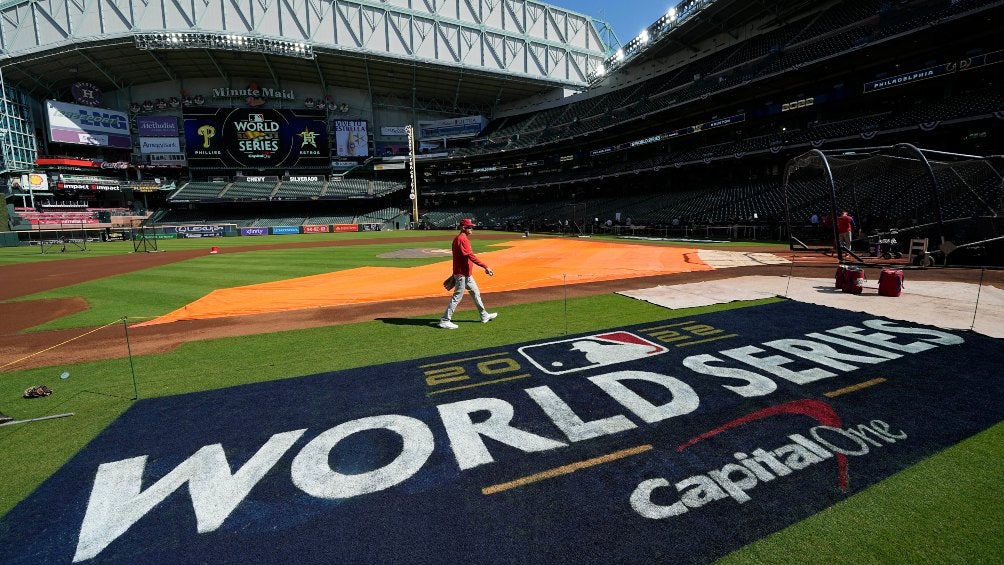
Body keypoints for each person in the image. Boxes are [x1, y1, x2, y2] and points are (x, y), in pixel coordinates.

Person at [439, 218, 497, 329]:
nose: (471, 228)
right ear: (463, 228)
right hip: (462, 275)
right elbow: (470, 256)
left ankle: (484, 315)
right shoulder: (461, 239)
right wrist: (485, 266)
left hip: (466, 274)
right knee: (457, 297)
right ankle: (445, 320)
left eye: (471, 227)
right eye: (469, 227)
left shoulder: (462, 238)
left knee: (475, 293)